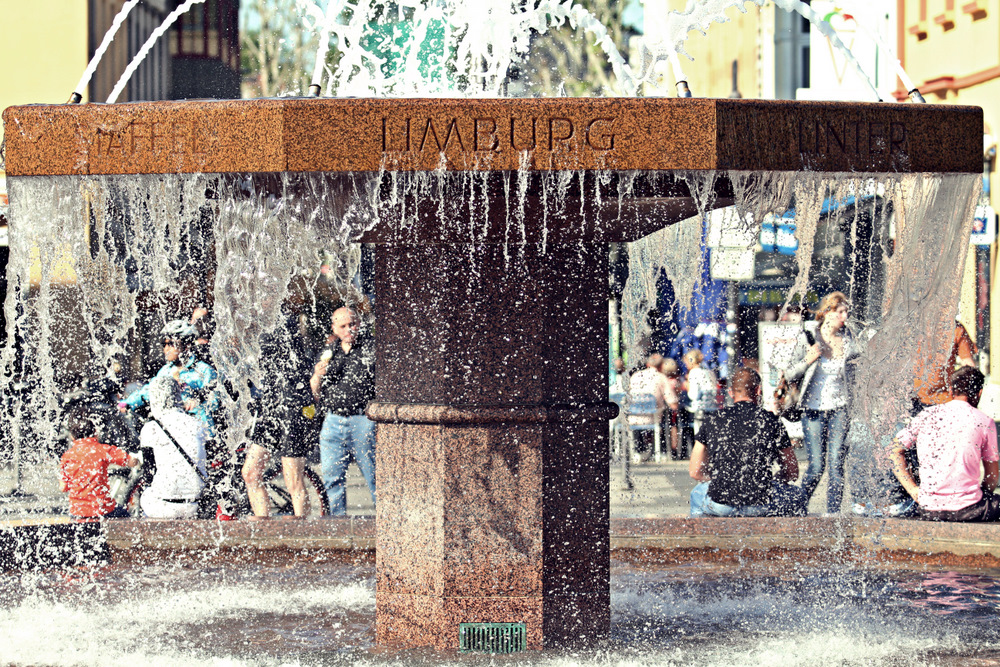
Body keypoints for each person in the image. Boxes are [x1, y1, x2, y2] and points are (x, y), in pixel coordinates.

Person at [890, 366, 1000, 522]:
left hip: (928, 509)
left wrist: (913, 489)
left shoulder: (927, 415)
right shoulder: (984, 421)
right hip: (969, 510)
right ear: (979, 393)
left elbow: (894, 450)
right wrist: (983, 495)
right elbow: (992, 477)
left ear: (950, 391)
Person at [688, 368, 802, 517]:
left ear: (730, 392)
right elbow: (792, 472)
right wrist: (771, 480)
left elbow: (695, 471)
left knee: (697, 493)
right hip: (761, 505)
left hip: (720, 505)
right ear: (758, 390)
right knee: (798, 495)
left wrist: (717, 479)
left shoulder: (713, 420)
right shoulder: (771, 421)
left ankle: (700, 536)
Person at [784, 292, 858, 514]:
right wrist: (808, 359)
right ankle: (798, 507)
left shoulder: (849, 340)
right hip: (812, 410)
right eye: (840, 312)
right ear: (827, 313)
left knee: (836, 463)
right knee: (816, 466)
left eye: (847, 311)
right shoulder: (808, 337)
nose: (845, 316)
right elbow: (788, 374)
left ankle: (833, 513)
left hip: (840, 409)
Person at [242, 307, 319, 519]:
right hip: (270, 408)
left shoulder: (282, 320)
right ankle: (263, 527)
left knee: (292, 478)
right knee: (251, 473)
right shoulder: (255, 317)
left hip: (292, 407)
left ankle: (302, 534)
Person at [310, 306, 376, 515]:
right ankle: (337, 524)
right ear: (335, 328)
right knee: (331, 476)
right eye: (343, 326)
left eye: (353, 324)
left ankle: (388, 524)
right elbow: (314, 390)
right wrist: (318, 375)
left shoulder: (370, 349)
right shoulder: (329, 353)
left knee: (374, 474)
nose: (349, 329)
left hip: (362, 419)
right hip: (333, 421)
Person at [122, 319, 220, 436]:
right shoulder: (165, 371)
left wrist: (197, 402)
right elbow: (149, 390)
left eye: (171, 344)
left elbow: (215, 397)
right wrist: (128, 403)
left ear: (187, 345)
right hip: (173, 429)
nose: (166, 349)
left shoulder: (203, 370)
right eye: (164, 344)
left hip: (200, 430)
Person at [138, 375, 209, 519]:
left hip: (163, 506)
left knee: (146, 495)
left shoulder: (151, 427)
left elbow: (149, 473)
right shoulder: (197, 423)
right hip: (195, 505)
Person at [59, 408, 139, 521]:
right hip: (102, 509)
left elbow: (63, 487)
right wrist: (138, 459)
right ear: (95, 433)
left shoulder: (67, 456)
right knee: (127, 519)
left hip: (77, 512)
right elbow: (131, 461)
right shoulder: (103, 450)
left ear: (72, 437)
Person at [912, 319, 977, 414]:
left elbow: (969, 367)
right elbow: (969, 367)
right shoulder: (910, 326)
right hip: (915, 399)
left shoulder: (956, 328)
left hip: (942, 399)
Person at [627, 353, 676, 461]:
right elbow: (672, 401)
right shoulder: (661, 377)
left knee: (638, 420)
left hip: (634, 417)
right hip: (653, 418)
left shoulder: (635, 375)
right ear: (661, 365)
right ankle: (661, 451)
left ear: (648, 363)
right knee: (664, 417)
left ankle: (637, 451)